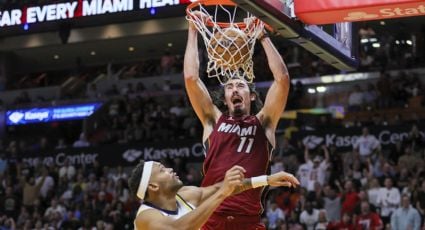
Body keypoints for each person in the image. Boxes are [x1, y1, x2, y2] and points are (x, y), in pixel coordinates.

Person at [184, 11, 290, 229]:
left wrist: (262, 37)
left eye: (240, 85)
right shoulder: (213, 121)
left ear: (251, 95)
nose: (234, 89)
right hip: (210, 217)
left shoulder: (264, 123)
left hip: (248, 222)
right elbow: (191, 79)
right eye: (229, 87)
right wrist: (193, 30)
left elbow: (282, 80)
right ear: (225, 97)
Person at [129, 161, 299, 230]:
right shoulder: (146, 217)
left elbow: (225, 187)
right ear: (153, 185)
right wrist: (222, 194)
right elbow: (178, 229)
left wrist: (267, 179)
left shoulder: (186, 195)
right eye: (162, 170)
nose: (170, 169)